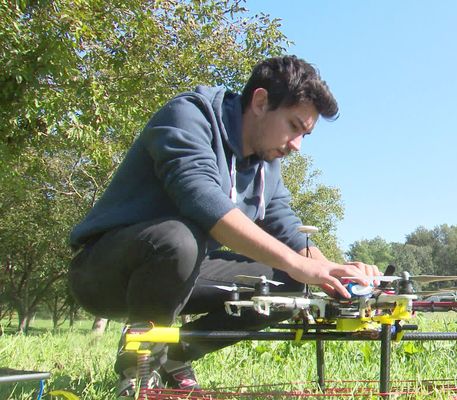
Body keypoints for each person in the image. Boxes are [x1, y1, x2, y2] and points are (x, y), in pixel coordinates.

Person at [68, 55, 381, 397]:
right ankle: (138, 369)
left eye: (305, 134)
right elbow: (204, 202)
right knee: (178, 239)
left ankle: (176, 356)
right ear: (260, 102)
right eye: (293, 126)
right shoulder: (189, 116)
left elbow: (286, 227)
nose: (297, 145)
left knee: (289, 284)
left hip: (184, 270)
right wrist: (301, 264)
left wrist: (332, 272)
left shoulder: (266, 162)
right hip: (106, 273)